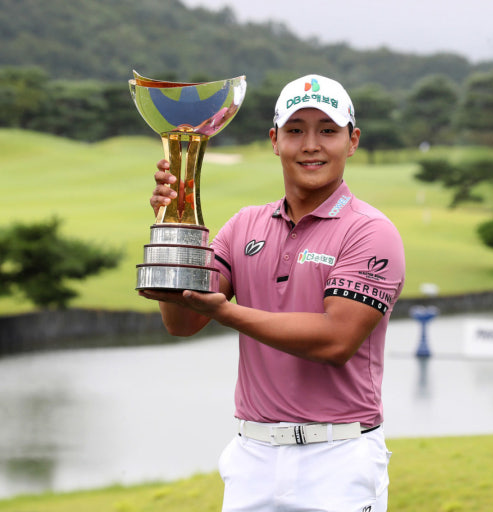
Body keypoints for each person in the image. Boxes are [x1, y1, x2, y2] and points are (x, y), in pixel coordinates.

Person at [140, 74, 405, 512]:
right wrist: (174, 225)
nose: (311, 145)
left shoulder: (371, 231)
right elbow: (183, 321)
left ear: (352, 141)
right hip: (252, 457)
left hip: (338, 457)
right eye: (295, 130)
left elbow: (336, 341)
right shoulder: (244, 225)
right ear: (275, 140)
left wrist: (228, 313)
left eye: (328, 130)